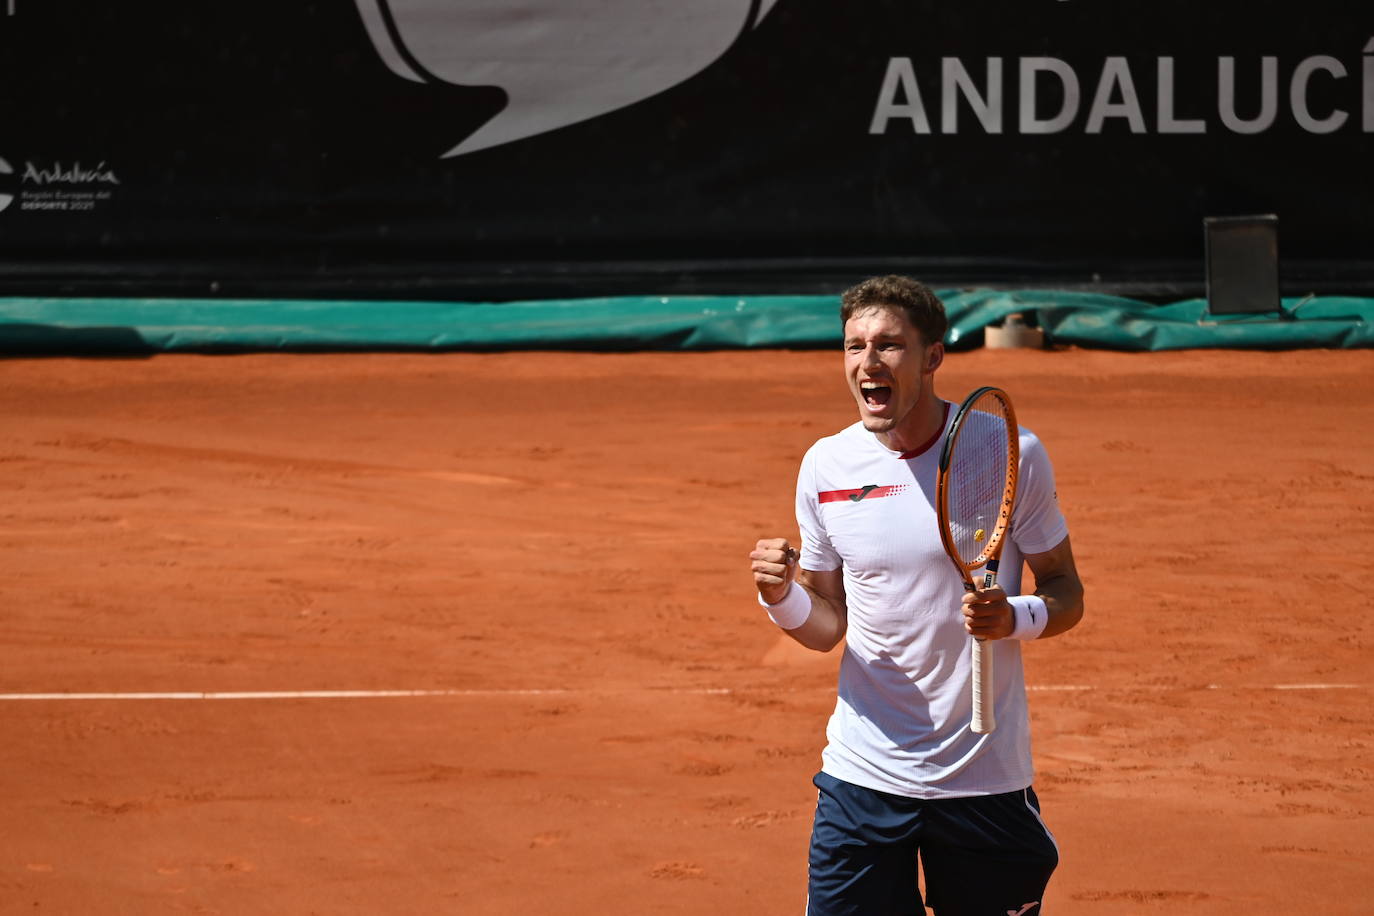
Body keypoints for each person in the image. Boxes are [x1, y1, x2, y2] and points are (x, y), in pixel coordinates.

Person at [749, 275, 1084, 916]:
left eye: (888, 346)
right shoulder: (826, 465)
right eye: (854, 346)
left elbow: (1067, 590)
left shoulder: (1007, 451)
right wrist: (781, 596)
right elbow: (826, 624)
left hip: (983, 781)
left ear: (932, 357)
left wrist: (1014, 616)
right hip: (863, 778)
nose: (867, 364)